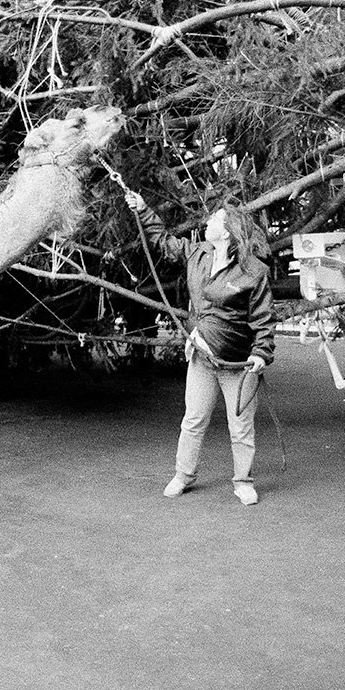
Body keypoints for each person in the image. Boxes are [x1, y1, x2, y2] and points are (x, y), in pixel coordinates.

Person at [124, 191, 275, 505]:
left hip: (238, 364)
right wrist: (143, 209)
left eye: (216, 219)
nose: (208, 221)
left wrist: (261, 353)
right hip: (202, 359)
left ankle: (243, 482)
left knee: (241, 427)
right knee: (193, 420)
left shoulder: (253, 272)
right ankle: (183, 476)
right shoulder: (198, 253)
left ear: (229, 231)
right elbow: (163, 241)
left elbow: (263, 318)